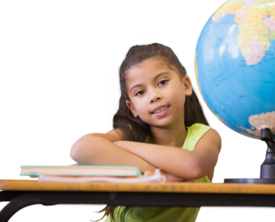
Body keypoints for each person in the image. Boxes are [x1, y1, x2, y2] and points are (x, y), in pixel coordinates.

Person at [85, 42, 223, 222]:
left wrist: (122, 146)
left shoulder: (205, 137)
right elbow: (78, 149)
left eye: (162, 82)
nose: (154, 96)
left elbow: (193, 166)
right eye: (140, 92)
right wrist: (163, 177)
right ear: (132, 107)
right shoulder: (130, 133)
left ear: (186, 85)